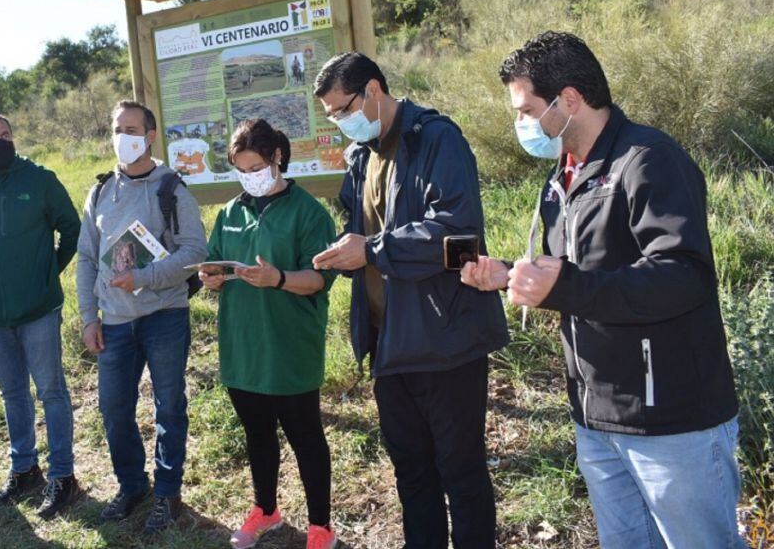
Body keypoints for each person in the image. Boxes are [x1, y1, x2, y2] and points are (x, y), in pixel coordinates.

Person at [461, 31, 744, 549]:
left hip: (671, 421)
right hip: (596, 415)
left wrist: (564, 284)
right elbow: (583, 273)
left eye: (526, 109)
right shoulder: (564, 176)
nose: (519, 123)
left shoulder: (648, 160)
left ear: (570, 99)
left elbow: (684, 275)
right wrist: (509, 273)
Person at [311, 52, 508, 549]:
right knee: (413, 476)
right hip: (390, 342)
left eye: (342, 110)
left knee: (461, 475)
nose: (339, 123)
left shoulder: (437, 138)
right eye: (331, 116)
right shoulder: (363, 155)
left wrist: (373, 250)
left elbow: (461, 236)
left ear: (373, 90)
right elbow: (364, 229)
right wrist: (346, 247)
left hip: (447, 342)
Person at [199, 119, 338, 549]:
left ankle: (321, 527)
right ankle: (266, 510)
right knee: (257, 435)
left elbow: (319, 280)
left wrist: (278, 278)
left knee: (305, 437)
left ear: (277, 157)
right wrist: (212, 276)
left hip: (290, 345)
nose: (250, 177)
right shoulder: (230, 212)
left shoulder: (308, 212)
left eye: (256, 166)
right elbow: (216, 261)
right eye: (241, 170)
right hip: (243, 346)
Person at [76, 100, 207, 537]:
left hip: (164, 315)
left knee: (169, 407)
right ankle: (133, 486)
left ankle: (168, 493)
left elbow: (194, 252)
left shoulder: (172, 188)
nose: (123, 137)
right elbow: (86, 259)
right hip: (113, 322)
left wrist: (145, 278)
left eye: (133, 129)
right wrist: (88, 317)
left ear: (150, 135)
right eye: (117, 128)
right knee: (114, 410)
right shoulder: (98, 192)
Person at [0, 112, 81, 516]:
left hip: (39, 308)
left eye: (5, 134)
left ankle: (63, 476)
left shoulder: (40, 179)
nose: (0, 141)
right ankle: (24, 468)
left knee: (52, 392)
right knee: (12, 394)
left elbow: (72, 229)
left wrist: (47, 272)